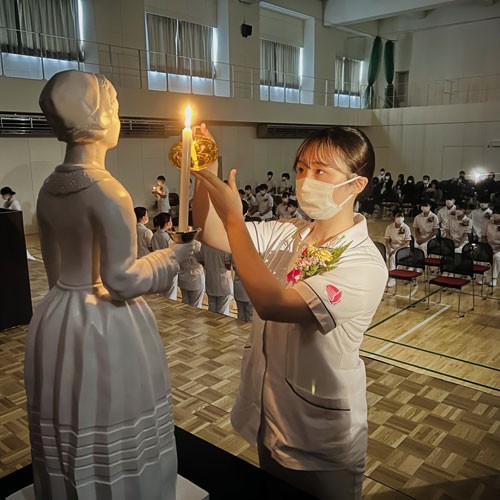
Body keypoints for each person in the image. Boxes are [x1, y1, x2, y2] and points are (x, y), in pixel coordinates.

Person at [193, 124, 387, 500]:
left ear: (357, 184)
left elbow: (274, 305)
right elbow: (212, 231)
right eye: (300, 168)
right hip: (270, 413)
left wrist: (234, 219)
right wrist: (205, 171)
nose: (305, 180)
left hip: (319, 435)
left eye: (320, 171)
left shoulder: (363, 263)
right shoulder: (288, 232)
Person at [29, 70, 194, 499]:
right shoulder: (110, 192)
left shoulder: (49, 188)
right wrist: (171, 258)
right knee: (113, 409)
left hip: (58, 313)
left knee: (68, 411)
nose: (119, 119)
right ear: (100, 118)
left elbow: (54, 269)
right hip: (104, 320)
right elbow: (119, 280)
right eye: (116, 110)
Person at [2, 186, 36, 261]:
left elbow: (18, 214)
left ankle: (26, 256)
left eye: (4, 195)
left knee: (19, 242)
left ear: (8, 194)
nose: (2, 197)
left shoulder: (15, 202)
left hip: (16, 225)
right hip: (9, 226)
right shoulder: (5, 203)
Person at [198, 243, 233, 315]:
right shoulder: (223, 245)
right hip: (222, 280)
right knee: (222, 310)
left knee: (211, 307)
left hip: (210, 278)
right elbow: (228, 265)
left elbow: (200, 259)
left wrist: (209, 266)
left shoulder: (205, 244)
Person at [152, 212, 178, 301]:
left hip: (158, 266)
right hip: (168, 267)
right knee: (170, 295)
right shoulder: (167, 237)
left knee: (162, 293)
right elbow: (173, 252)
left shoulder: (155, 235)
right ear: (167, 223)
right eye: (171, 221)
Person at [385, 208, 411, 287]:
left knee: (393, 257)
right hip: (392, 247)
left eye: (401, 216)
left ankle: (392, 279)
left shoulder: (406, 228)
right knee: (385, 256)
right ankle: (386, 275)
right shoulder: (389, 227)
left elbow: (407, 243)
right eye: (398, 216)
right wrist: (389, 249)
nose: (400, 218)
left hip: (403, 249)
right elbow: (387, 241)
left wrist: (396, 250)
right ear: (394, 217)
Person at [178, 239, 205, 308]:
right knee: (196, 306)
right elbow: (202, 260)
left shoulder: (179, 244)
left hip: (183, 276)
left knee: (185, 303)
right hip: (195, 277)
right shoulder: (197, 245)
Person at [483, 205, 500, 287]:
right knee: (482, 254)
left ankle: (494, 278)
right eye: (495, 213)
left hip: (499, 247)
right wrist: (487, 247)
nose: (496, 215)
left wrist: (497, 250)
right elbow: (483, 236)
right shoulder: (488, 222)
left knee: (496, 257)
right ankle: (483, 276)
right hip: (489, 245)